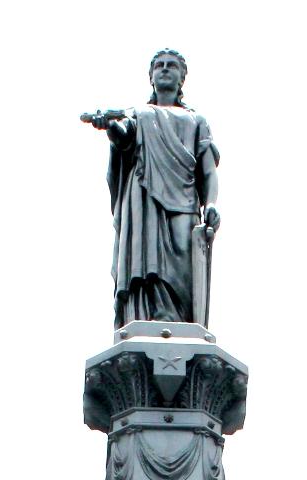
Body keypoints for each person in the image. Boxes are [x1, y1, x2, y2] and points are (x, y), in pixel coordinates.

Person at [84, 49, 220, 326]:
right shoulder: (138, 114)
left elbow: (207, 170)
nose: (165, 69)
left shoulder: (196, 120)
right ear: (151, 76)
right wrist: (109, 126)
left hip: (184, 201)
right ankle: (147, 317)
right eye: (159, 65)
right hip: (144, 197)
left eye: (172, 66)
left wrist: (212, 204)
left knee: (182, 265)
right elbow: (124, 140)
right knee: (147, 260)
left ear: (182, 78)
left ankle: (180, 322)